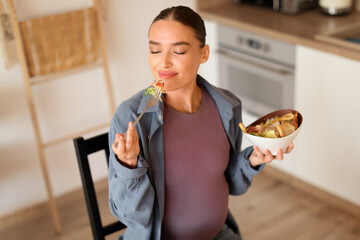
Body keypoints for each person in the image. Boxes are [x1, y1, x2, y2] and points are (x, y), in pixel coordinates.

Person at [108, 5, 294, 240]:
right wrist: (128, 166)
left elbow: (232, 184)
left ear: (204, 54)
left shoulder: (227, 106)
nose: (163, 63)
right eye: (155, 50)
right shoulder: (130, 118)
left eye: (178, 52)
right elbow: (132, 217)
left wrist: (253, 159)